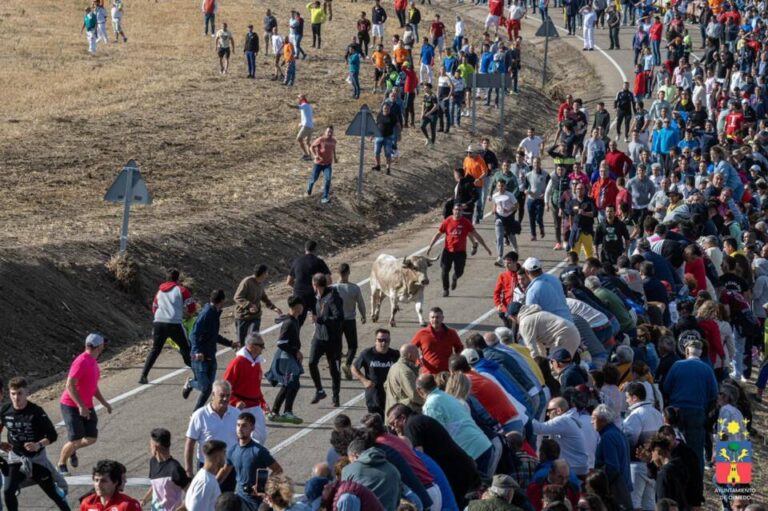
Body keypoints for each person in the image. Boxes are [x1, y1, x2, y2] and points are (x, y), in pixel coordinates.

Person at [0, 377, 70, 511]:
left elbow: (52, 435)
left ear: (27, 392)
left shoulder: (36, 412)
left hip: (37, 459)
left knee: (53, 494)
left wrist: (38, 445)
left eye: (19, 393)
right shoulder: (4, 411)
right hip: (15, 458)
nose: (16, 397)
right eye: (12, 394)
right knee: (8, 491)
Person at [416, 374, 495, 478]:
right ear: (435, 384)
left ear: (419, 390)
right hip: (483, 445)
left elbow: (439, 435)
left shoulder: (431, 405)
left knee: (479, 490)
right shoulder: (446, 396)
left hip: (472, 452)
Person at [661, 338, 718, 482]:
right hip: (697, 412)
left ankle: (677, 477)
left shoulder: (677, 365)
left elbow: (666, 387)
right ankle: (695, 482)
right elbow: (714, 393)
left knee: (675, 446)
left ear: (686, 351)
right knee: (696, 450)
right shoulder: (707, 369)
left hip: (676, 412)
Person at [58, 333, 112, 476]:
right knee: (75, 439)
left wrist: (104, 403)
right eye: (103, 344)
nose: (104, 347)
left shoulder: (93, 361)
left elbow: (93, 386)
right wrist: (81, 406)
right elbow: (70, 385)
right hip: (71, 405)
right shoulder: (81, 361)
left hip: (86, 405)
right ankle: (61, 464)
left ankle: (72, 449)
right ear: (99, 346)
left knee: (91, 437)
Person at [184, 289, 239, 410]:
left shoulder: (215, 313)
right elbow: (193, 334)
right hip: (200, 357)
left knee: (209, 389)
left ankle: (196, 412)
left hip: (210, 354)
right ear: (222, 301)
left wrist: (230, 343)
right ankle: (191, 385)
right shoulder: (206, 314)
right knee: (206, 388)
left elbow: (213, 336)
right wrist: (197, 351)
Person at [140, 269, 195, 384]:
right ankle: (197, 373)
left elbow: (154, 307)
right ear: (178, 279)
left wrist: (160, 318)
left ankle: (143, 376)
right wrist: (189, 315)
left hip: (159, 323)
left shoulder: (159, 291)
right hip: (175, 324)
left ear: (166, 278)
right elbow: (191, 306)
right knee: (185, 348)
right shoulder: (182, 290)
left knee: (155, 350)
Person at [218, 412, 283, 510]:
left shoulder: (259, 451)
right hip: (240, 499)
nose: (240, 429)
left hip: (257, 502)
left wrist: (264, 485)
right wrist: (210, 484)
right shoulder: (232, 451)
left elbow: (278, 470)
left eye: (244, 426)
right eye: (238, 425)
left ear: (252, 428)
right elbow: (224, 472)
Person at [426, 203, 492, 297]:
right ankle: (446, 289)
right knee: (444, 270)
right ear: (453, 210)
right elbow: (438, 234)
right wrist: (430, 246)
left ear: (462, 211)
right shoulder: (447, 221)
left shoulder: (466, 222)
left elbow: (476, 235)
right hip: (448, 251)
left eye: (460, 210)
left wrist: (486, 247)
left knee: (459, 271)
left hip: (460, 252)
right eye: (456, 209)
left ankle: (455, 278)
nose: (458, 212)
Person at [184, 380, 240, 487]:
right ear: (213, 395)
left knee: (226, 500)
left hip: (229, 467)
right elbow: (190, 443)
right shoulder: (200, 415)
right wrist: (189, 471)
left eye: (228, 395)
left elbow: (240, 441)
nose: (225, 399)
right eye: (222, 395)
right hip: (206, 466)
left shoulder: (236, 414)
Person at [622, 382, 663, 511]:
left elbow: (630, 440)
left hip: (637, 464)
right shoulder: (657, 413)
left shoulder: (635, 415)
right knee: (649, 503)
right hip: (654, 464)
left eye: (627, 397)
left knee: (634, 503)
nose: (626, 401)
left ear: (635, 398)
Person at [222, 334, 269, 441]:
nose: (263, 348)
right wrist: (235, 401)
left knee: (261, 436)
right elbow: (225, 387)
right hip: (240, 408)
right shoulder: (237, 362)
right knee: (238, 436)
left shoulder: (256, 362)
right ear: (251, 346)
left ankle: (250, 455)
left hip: (255, 406)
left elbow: (256, 387)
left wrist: (263, 403)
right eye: (261, 345)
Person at [308, 273, 344, 407]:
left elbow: (339, 317)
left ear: (316, 285)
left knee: (334, 369)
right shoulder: (317, 297)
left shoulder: (333, 297)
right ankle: (319, 390)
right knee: (311, 362)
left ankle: (336, 396)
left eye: (312, 284)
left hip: (333, 340)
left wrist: (322, 319)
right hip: (319, 336)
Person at [531, 397, 589, 476]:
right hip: (578, 466)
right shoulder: (569, 420)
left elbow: (538, 429)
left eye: (549, 411)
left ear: (558, 410)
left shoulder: (563, 420)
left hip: (573, 468)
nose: (547, 414)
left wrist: (523, 414)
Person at [342, 438, 402, 511]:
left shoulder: (349, 469)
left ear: (355, 456)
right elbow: (397, 501)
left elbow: (344, 501)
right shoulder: (394, 470)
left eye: (350, 460)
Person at [592, 404, 633, 510]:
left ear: (603, 420)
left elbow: (612, 468)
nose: (591, 422)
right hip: (624, 487)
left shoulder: (607, 437)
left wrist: (600, 486)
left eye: (593, 418)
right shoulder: (618, 433)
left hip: (615, 491)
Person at [351, 329, 400, 416]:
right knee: (375, 424)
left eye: (386, 340)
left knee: (391, 425)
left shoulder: (395, 354)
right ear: (375, 341)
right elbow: (354, 368)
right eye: (380, 340)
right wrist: (364, 381)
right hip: (373, 396)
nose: (383, 343)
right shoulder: (367, 354)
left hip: (390, 395)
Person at [141, 428, 190, 511]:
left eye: (150, 445)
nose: (149, 448)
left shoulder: (175, 469)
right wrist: (144, 500)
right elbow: (156, 487)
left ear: (156, 447)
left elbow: (192, 493)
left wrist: (181, 509)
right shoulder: (153, 462)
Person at [286, 240, 331, 326]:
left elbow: (288, 281)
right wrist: (320, 291)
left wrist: (298, 288)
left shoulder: (297, 261)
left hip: (299, 295)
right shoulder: (319, 261)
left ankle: (293, 338)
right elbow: (329, 280)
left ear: (305, 249)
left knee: (297, 322)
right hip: (313, 295)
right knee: (319, 320)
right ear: (315, 250)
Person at [333, 263, 366, 380]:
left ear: (338, 273)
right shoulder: (354, 288)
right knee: (353, 345)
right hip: (350, 320)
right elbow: (360, 303)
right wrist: (363, 315)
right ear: (348, 273)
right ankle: (347, 363)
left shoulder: (333, 288)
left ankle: (336, 369)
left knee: (337, 346)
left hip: (336, 321)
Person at [233, 265, 282, 344]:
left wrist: (274, 308)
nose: (267, 275)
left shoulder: (260, 283)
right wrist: (249, 305)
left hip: (255, 317)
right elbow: (237, 297)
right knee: (241, 344)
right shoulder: (247, 282)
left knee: (253, 341)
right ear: (262, 273)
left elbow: (264, 297)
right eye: (266, 273)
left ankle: (252, 355)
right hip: (243, 317)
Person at [410, 307, 463, 374]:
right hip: (428, 374)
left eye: (437, 317)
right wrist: (418, 361)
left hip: (446, 373)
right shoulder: (422, 333)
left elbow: (460, 348)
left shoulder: (451, 333)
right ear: (429, 319)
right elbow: (411, 348)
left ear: (442, 318)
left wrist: (455, 362)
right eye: (432, 317)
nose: (435, 320)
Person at [185, 440, 227, 511]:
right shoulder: (206, 482)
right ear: (217, 457)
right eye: (224, 453)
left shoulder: (205, 477)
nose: (226, 457)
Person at [384, 344, 424, 413]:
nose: (418, 357)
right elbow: (414, 395)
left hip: (393, 410)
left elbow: (385, 386)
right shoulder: (406, 371)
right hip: (403, 414)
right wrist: (427, 400)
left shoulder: (394, 366)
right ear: (410, 356)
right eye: (417, 353)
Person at [307, 126, 338, 204]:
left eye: (331, 132)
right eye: (328, 132)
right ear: (325, 132)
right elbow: (311, 147)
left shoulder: (334, 140)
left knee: (328, 180)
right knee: (314, 179)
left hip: (328, 164)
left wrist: (335, 158)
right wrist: (315, 155)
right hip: (318, 163)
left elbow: (333, 149)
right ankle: (310, 186)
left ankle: (325, 197)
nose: (330, 133)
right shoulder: (321, 139)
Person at [566, 182, 598, 259]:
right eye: (578, 189)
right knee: (574, 252)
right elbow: (570, 214)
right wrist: (571, 226)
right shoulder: (571, 202)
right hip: (576, 230)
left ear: (585, 190)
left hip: (587, 230)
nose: (579, 190)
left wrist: (585, 213)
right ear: (575, 190)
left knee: (589, 253)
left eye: (581, 189)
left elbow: (595, 213)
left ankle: (590, 269)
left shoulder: (590, 201)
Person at [296, 95, 315, 161]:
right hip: (311, 126)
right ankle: (310, 156)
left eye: (298, 98)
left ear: (301, 99)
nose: (297, 99)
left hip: (307, 126)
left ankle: (306, 154)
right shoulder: (307, 105)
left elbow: (297, 107)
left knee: (299, 138)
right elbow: (306, 116)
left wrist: (289, 106)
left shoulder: (304, 104)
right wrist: (301, 123)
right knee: (307, 142)